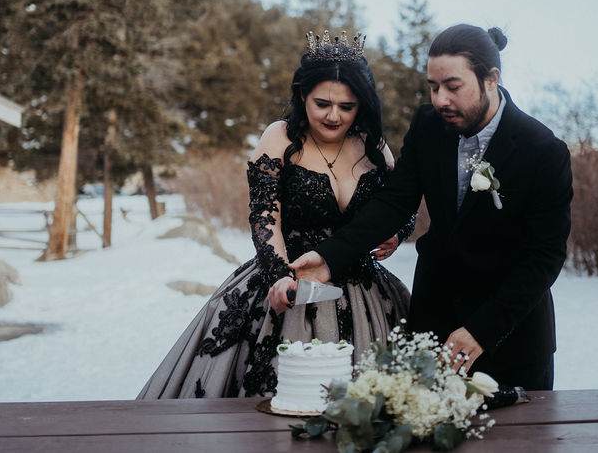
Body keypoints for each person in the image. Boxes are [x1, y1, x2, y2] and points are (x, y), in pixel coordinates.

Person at [281, 24, 572, 390]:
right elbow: (395, 202)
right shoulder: (428, 126)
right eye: (433, 87)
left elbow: (545, 255)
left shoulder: (543, 150)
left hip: (512, 339)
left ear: (490, 79)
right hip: (433, 324)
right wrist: (328, 257)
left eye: (452, 87)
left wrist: (482, 330)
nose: (439, 100)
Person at [138, 31, 412, 399]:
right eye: (322, 104)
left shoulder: (374, 145)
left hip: (366, 293)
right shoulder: (280, 136)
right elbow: (265, 215)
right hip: (289, 279)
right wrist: (280, 276)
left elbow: (400, 205)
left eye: (347, 107)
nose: (334, 116)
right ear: (302, 96)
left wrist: (397, 232)